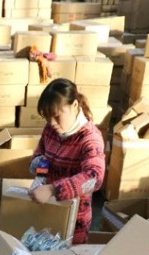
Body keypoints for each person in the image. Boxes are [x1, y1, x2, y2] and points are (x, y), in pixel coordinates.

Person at [28, 78, 106, 245]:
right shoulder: (50, 130)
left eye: (56, 116)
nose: (52, 123)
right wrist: (39, 172)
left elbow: (94, 177)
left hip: (73, 219)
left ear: (75, 105)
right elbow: (41, 155)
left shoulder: (90, 139)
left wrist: (52, 189)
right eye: (47, 118)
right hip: (47, 210)